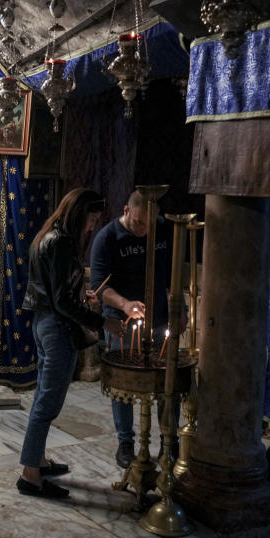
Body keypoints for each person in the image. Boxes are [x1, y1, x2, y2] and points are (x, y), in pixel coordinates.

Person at [18, 188, 123, 499]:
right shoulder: (62, 241)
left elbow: (53, 289)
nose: (91, 227)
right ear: (79, 214)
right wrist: (103, 321)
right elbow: (62, 301)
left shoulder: (47, 235)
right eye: (90, 220)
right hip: (56, 327)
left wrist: (80, 294)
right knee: (48, 403)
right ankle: (30, 475)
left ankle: (37, 460)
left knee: (42, 398)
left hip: (41, 322)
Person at [89, 189, 174, 469]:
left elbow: (173, 271)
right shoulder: (107, 238)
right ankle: (126, 442)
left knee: (165, 383)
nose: (143, 231)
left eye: (149, 225)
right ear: (126, 210)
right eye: (138, 223)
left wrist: (180, 308)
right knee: (123, 384)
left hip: (160, 317)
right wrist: (125, 304)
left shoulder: (161, 229)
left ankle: (167, 443)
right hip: (122, 322)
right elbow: (99, 286)